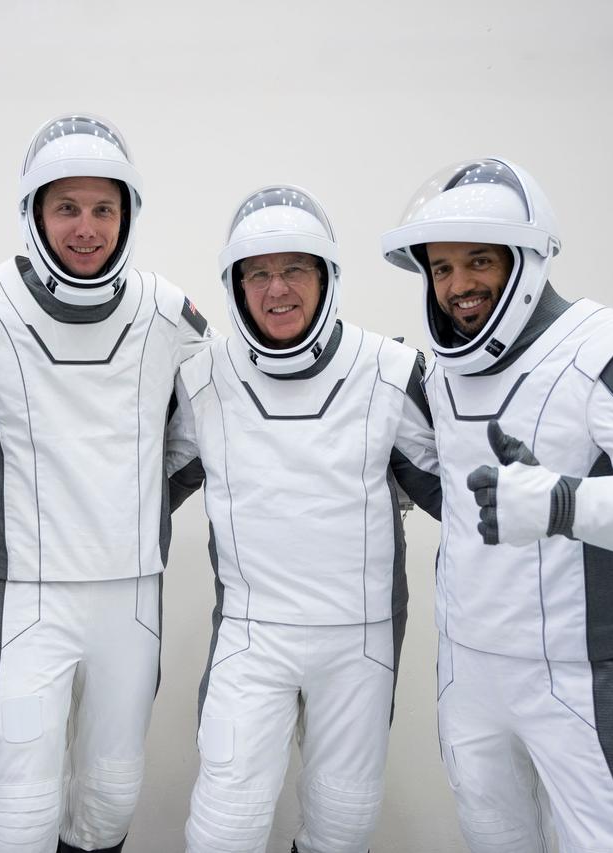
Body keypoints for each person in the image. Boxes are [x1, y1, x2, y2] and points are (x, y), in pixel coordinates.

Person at [379, 158, 613, 852]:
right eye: (442, 268)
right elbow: (464, 503)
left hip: (585, 677)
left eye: (479, 260)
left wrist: (565, 502)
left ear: (529, 258)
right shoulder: (443, 375)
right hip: (469, 671)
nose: (458, 285)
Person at [0, 113, 213, 853]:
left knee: (110, 793)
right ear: (33, 213)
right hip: (27, 593)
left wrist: (143, 502)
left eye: (103, 209)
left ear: (127, 214)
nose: (86, 229)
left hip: (132, 594)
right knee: (20, 806)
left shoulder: (168, 313)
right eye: (67, 208)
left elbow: (203, 434)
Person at [167, 185, 441, 853]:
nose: (276, 288)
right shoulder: (202, 378)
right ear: (235, 284)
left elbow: (457, 495)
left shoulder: (388, 370)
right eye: (257, 272)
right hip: (253, 638)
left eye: (295, 269)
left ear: (326, 277)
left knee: (341, 826)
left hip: (359, 641)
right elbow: (142, 492)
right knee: (223, 828)